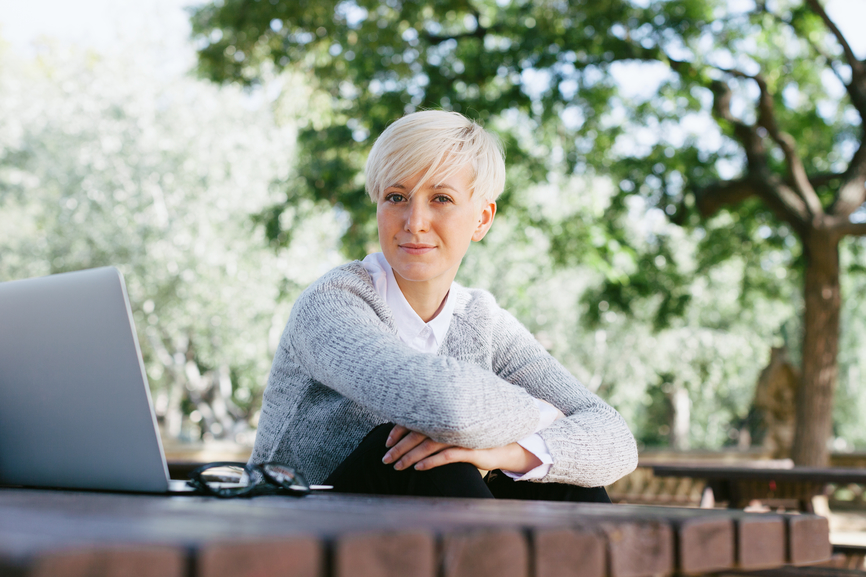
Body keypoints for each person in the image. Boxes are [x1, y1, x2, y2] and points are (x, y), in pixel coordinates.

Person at [250, 110, 638, 501]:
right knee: (411, 451)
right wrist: (545, 416)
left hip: (399, 543)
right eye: (397, 197)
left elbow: (615, 437)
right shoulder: (331, 305)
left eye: (441, 198)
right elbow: (445, 403)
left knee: (562, 480)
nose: (415, 221)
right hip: (296, 532)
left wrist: (505, 453)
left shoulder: (482, 322)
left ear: (482, 219)